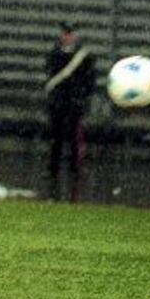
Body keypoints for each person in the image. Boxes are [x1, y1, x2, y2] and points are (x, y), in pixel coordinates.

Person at [44, 23, 97, 203]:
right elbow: (51, 74)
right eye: (65, 33)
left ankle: (76, 170)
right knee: (56, 138)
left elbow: (90, 79)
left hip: (75, 102)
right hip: (59, 102)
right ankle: (54, 170)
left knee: (75, 138)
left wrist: (81, 98)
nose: (67, 37)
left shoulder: (85, 56)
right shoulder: (55, 53)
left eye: (70, 33)